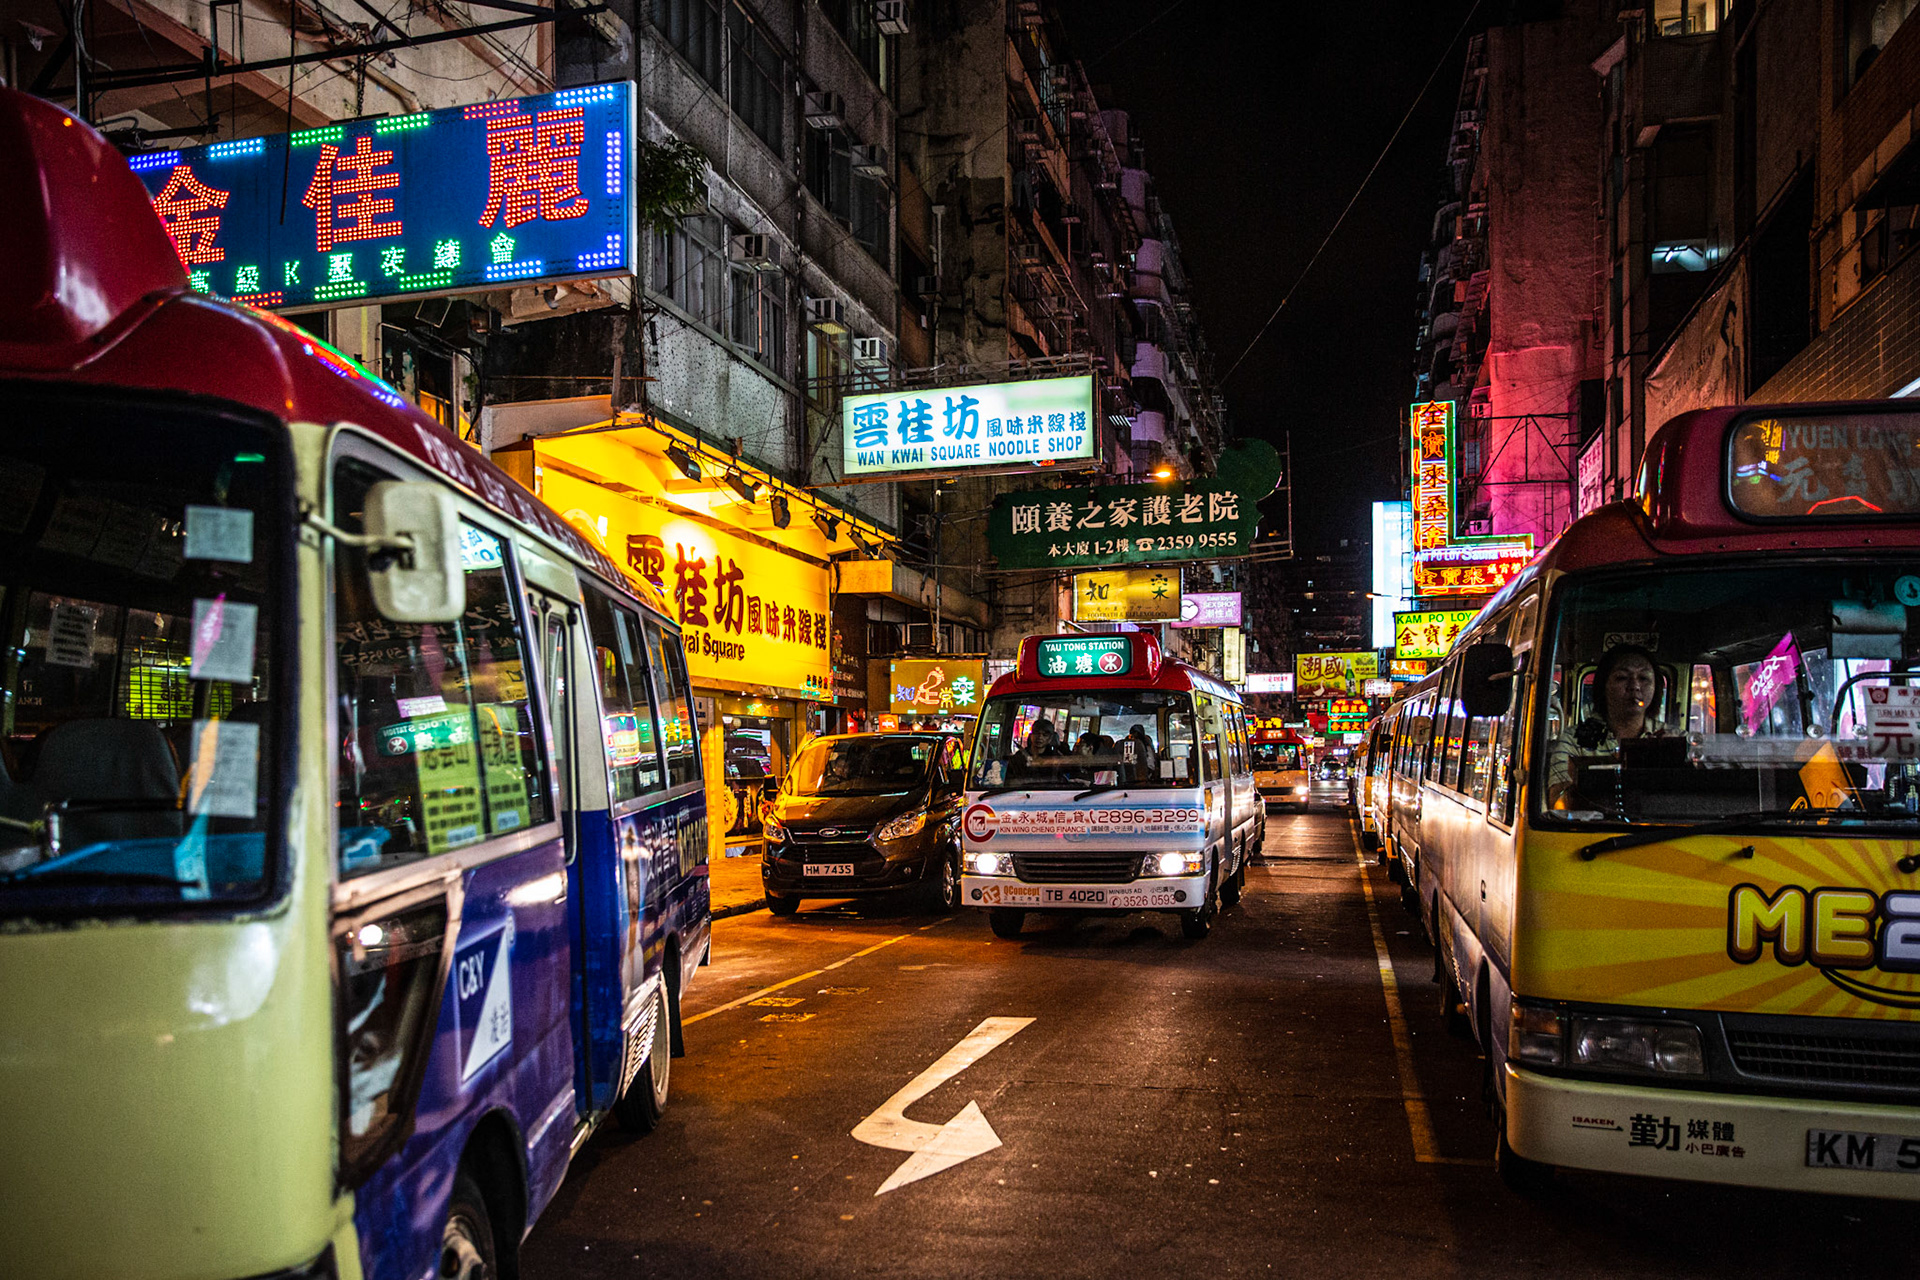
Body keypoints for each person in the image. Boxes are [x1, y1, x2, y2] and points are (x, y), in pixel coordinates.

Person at [1546, 643, 1667, 807]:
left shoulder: (1673, 738)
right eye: (1622, 678)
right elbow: (1558, 801)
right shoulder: (1575, 740)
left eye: (1644, 678)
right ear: (1603, 685)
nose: (1635, 687)